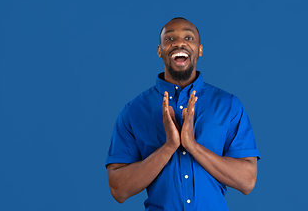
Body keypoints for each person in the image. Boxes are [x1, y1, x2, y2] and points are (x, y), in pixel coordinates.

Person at [105, 17, 260, 210]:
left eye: (189, 37)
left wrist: (193, 146)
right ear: (159, 50)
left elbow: (247, 181)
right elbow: (119, 190)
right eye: (169, 39)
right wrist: (169, 146)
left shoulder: (228, 105)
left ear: (200, 50)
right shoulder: (133, 111)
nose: (179, 43)